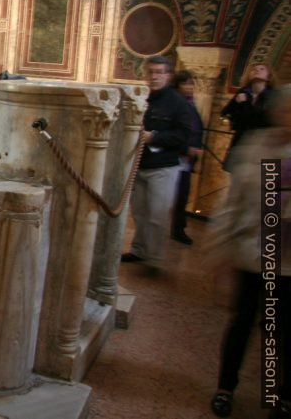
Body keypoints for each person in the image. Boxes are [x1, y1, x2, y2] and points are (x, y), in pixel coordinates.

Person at [206, 85, 290, 419]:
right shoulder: (255, 145)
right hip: (252, 254)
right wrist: (219, 251)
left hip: (287, 262)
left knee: (281, 329)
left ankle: (280, 396)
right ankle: (226, 388)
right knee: (242, 323)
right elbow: (232, 202)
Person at [121, 56, 192, 273]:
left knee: (157, 215)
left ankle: (155, 258)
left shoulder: (178, 103)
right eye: (151, 72)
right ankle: (140, 249)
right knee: (140, 212)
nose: (154, 76)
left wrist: (156, 137)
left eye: (160, 72)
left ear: (168, 75)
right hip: (140, 164)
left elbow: (183, 136)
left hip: (163, 166)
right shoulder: (142, 98)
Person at [221, 62, 274, 171]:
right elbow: (225, 113)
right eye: (254, 69)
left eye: (262, 69)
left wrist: (245, 104)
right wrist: (236, 103)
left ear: (269, 76)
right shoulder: (243, 92)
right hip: (242, 144)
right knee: (239, 180)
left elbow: (260, 121)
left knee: (269, 184)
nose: (257, 70)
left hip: (264, 146)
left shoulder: (273, 96)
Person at [170, 70, 204, 245]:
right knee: (177, 194)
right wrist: (187, 148)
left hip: (186, 159)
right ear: (178, 86)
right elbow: (174, 132)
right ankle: (176, 228)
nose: (190, 88)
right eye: (186, 84)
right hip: (176, 156)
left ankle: (178, 227)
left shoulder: (190, 104)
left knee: (183, 194)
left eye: (192, 84)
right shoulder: (177, 105)